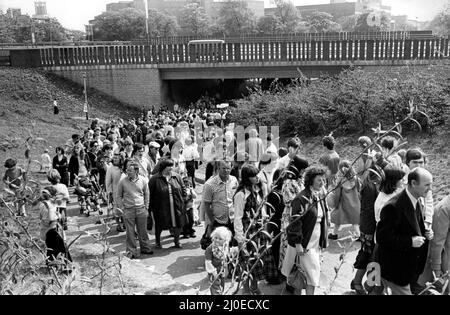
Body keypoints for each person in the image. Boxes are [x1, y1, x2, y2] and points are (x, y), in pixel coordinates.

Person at [376, 168, 433, 295]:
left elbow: (412, 226)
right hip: (396, 269)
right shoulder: (392, 206)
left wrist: (426, 232)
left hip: (409, 268)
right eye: (427, 185)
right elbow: (382, 237)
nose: (430, 189)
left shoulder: (417, 199)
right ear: (413, 183)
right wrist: (409, 242)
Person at [284, 165, 330, 295]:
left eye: (324, 180)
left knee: (310, 274)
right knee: (306, 273)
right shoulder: (301, 198)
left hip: (315, 241)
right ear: (311, 180)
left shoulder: (318, 195)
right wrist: (298, 244)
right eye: (319, 180)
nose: (323, 183)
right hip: (305, 242)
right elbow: (295, 222)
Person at [233, 164, 272, 295]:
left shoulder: (257, 190)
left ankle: (254, 286)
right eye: (254, 176)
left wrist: (264, 218)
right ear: (247, 178)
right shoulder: (241, 194)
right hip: (247, 231)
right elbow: (237, 218)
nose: (257, 178)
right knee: (246, 261)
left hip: (258, 231)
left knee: (257, 260)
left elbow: (261, 208)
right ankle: (246, 289)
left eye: (257, 175)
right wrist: (240, 239)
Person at [350, 163, 382, 295]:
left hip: (371, 228)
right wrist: (368, 231)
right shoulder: (370, 187)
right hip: (369, 229)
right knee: (368, 257)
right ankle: (362, 284)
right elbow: (368, 210)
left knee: (370, 256)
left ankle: (361, 283)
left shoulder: (373, 185)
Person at [116, 161, 153, 259]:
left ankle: (145, 248)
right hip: (128, 210)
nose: (128, 172)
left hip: (141, 209)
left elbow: (147, 194)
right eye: (127, 170)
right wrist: (122, 208)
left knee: (143, 231)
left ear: (136, 171)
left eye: (130, 171)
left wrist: (146, 207)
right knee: (130, 232)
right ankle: (131, 251)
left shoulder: (143, 180)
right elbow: (118, 196)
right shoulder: (122, 181)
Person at [278, 156, 309, 273]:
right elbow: (290, 201)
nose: (303, 172)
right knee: (289, 246)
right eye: (302, 169)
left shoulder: (298, 180)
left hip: (299, 216)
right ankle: (288, 274)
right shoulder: (288, 182)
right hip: (290, 216)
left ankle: (296, 274)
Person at [149, 158, 187, 249]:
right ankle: (158, 241)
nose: (171, 168)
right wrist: (149, 207)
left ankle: (176, 241)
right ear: (163, 167)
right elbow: (149, 193)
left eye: (171, 166)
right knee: (160, 224)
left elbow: (183, 188)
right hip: (161, 206)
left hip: (176, 205)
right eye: (168, 166)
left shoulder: (176, 176)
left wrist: (184, 198)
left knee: (177, 223)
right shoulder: (155, 178)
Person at [201, 160, 238, 238]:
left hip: (232, 219)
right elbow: (207, 205)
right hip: (218, 221)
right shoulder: (209, 184)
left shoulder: (234, 180)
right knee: (219, 245)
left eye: (228, 168)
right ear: (218, 169)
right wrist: (212, 221)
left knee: (232, 245)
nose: (226, 171)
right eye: (223, 168)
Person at [38, 186, 72, 267]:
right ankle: (66, 266)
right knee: (61, 248)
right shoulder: (51, 205)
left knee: (50, 249)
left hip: (44, 229)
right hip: (53, 229)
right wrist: (58, 216)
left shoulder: (42, 205)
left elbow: (40, 217)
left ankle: (51, 265)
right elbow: (51, 218)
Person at [327, 160, 361, 240]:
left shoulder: (341, 181)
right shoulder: (356, 178)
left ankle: (334, 234)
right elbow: (359, 189)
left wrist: (335, 202)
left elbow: (337, 193)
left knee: (338, 219)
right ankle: (358, 234)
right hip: (355, 202)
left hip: (343, 203)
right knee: (354, 220)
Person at [205, 227, 236, 295]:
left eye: (220, 239)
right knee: (215, 286)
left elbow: (227, 253)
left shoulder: (225, 246)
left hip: (222, 270)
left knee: (222, 284)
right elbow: (208, 262)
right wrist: (213, 272)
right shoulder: (210, 249)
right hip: (213, 271)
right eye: (215, 238)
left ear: (225, 240)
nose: (217, 240)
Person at [106, 154, 126, 232]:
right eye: (114, 158)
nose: (115, 159)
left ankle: (124, 223)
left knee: (124, 207)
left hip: (124, 191)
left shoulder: (123, 167)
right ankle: (118, 225)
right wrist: (109, 192)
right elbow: (108, 181)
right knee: (117, 209)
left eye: (117, 158)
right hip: (115, 191)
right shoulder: (110, 169)